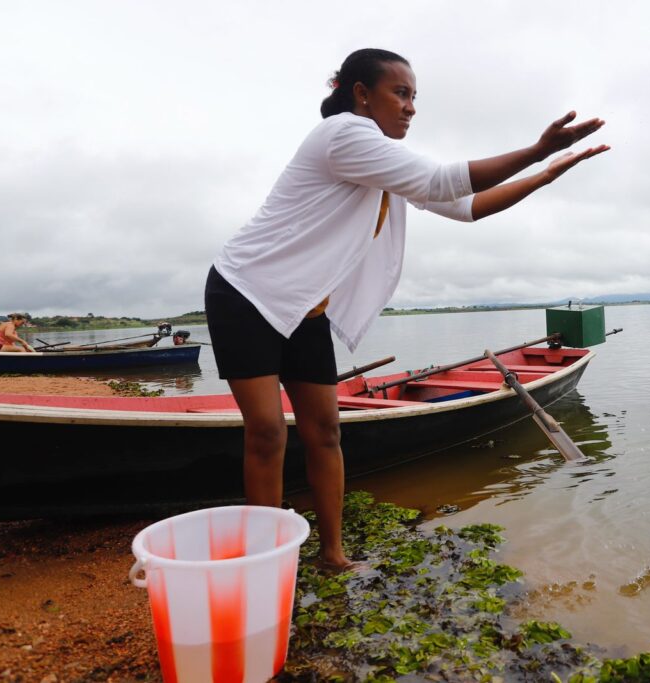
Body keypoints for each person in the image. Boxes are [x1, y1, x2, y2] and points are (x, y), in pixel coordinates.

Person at [205, 48, 609, 571]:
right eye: (401, 93)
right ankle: (261, 564)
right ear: (360, 94)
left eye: (415, 96)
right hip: (248, 291)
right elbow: (445, 181)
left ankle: (332, 555)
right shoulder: (345, 136)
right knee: (267, 431)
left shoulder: (381, 164)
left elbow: (465, 207)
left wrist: (546, 174)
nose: (411, 107)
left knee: (326, 431)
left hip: (305, 309)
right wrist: (534, 150)